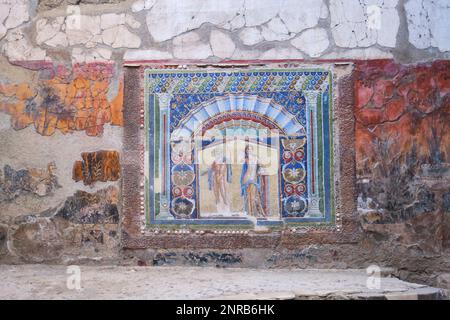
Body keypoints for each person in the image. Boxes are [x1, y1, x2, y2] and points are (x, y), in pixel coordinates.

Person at [240, 145, 266, 217]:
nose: (249, 151)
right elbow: (244, 169)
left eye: (250, 149)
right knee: (249, 197)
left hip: (253, 178)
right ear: (246, 151)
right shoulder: (246, 159)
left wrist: (260, 169)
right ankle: (250, 213)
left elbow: (261, 165)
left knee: (253, 197)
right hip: (247, 178)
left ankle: (253, 213)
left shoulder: (256, 158)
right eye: (248, 150)